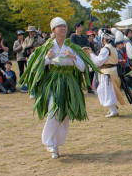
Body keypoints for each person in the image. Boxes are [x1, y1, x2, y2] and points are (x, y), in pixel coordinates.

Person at [19, 17, 97, 159]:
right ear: (53, 30)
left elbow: (81, 67)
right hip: (52, 81)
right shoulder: (47, 47)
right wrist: (48, 58)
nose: (63, 28)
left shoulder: (72, 47)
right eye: (59, 26)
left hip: (68, 82)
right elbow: (37, 67)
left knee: (65, 113)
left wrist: (73, 56)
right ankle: (49, 142)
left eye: (64, 26)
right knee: (54, 109)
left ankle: (56, 143)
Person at [88, 30, 128, 118]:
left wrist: (90, 54)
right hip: (112, 72)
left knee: (107, 92)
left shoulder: (106, 49)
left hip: (108, 73)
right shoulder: (112, 47)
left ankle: (113, 110)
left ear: (104, 38)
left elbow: (99, 61)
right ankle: (113, 109)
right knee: (107, 91)